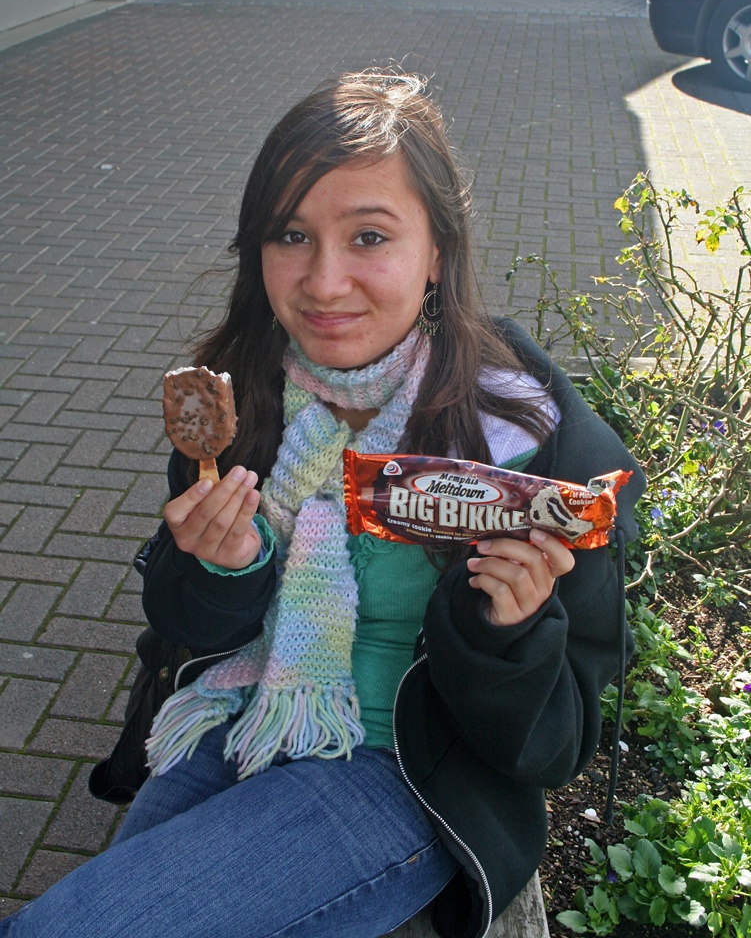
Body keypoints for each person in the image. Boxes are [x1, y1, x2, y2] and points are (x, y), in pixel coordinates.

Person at [0, 69, 645, 938]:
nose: (323, 281)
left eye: (369, 235)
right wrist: (226, 570)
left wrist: (511, 631)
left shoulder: (536, 455)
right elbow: (182, 626)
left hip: (407, 773)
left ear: (437, 256)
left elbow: (555, 747)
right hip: (242, 708)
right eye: (291, 235)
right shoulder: (238, 408)